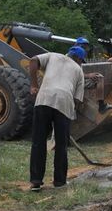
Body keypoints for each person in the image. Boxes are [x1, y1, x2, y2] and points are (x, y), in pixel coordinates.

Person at [28, 46, 86, 192]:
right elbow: (77, 100)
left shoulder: (52, 55)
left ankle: (36, 181)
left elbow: (33, 60)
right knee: (61, 145)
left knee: (38, 142)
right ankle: (59, 181)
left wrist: (34, 85)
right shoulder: (79, 70)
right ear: (79, 59)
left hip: (44, 99)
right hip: (64, 103)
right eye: (81, 61)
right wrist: (70, 116)